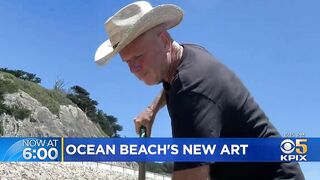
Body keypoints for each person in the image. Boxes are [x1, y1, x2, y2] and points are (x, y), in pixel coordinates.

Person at [95, 1, 305, 179]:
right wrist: (152, 109)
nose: (133, 69)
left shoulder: (191, 90)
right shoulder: (184, 57)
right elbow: (172, 83)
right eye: (127, 62)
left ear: (164, 41)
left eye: (138, 57)